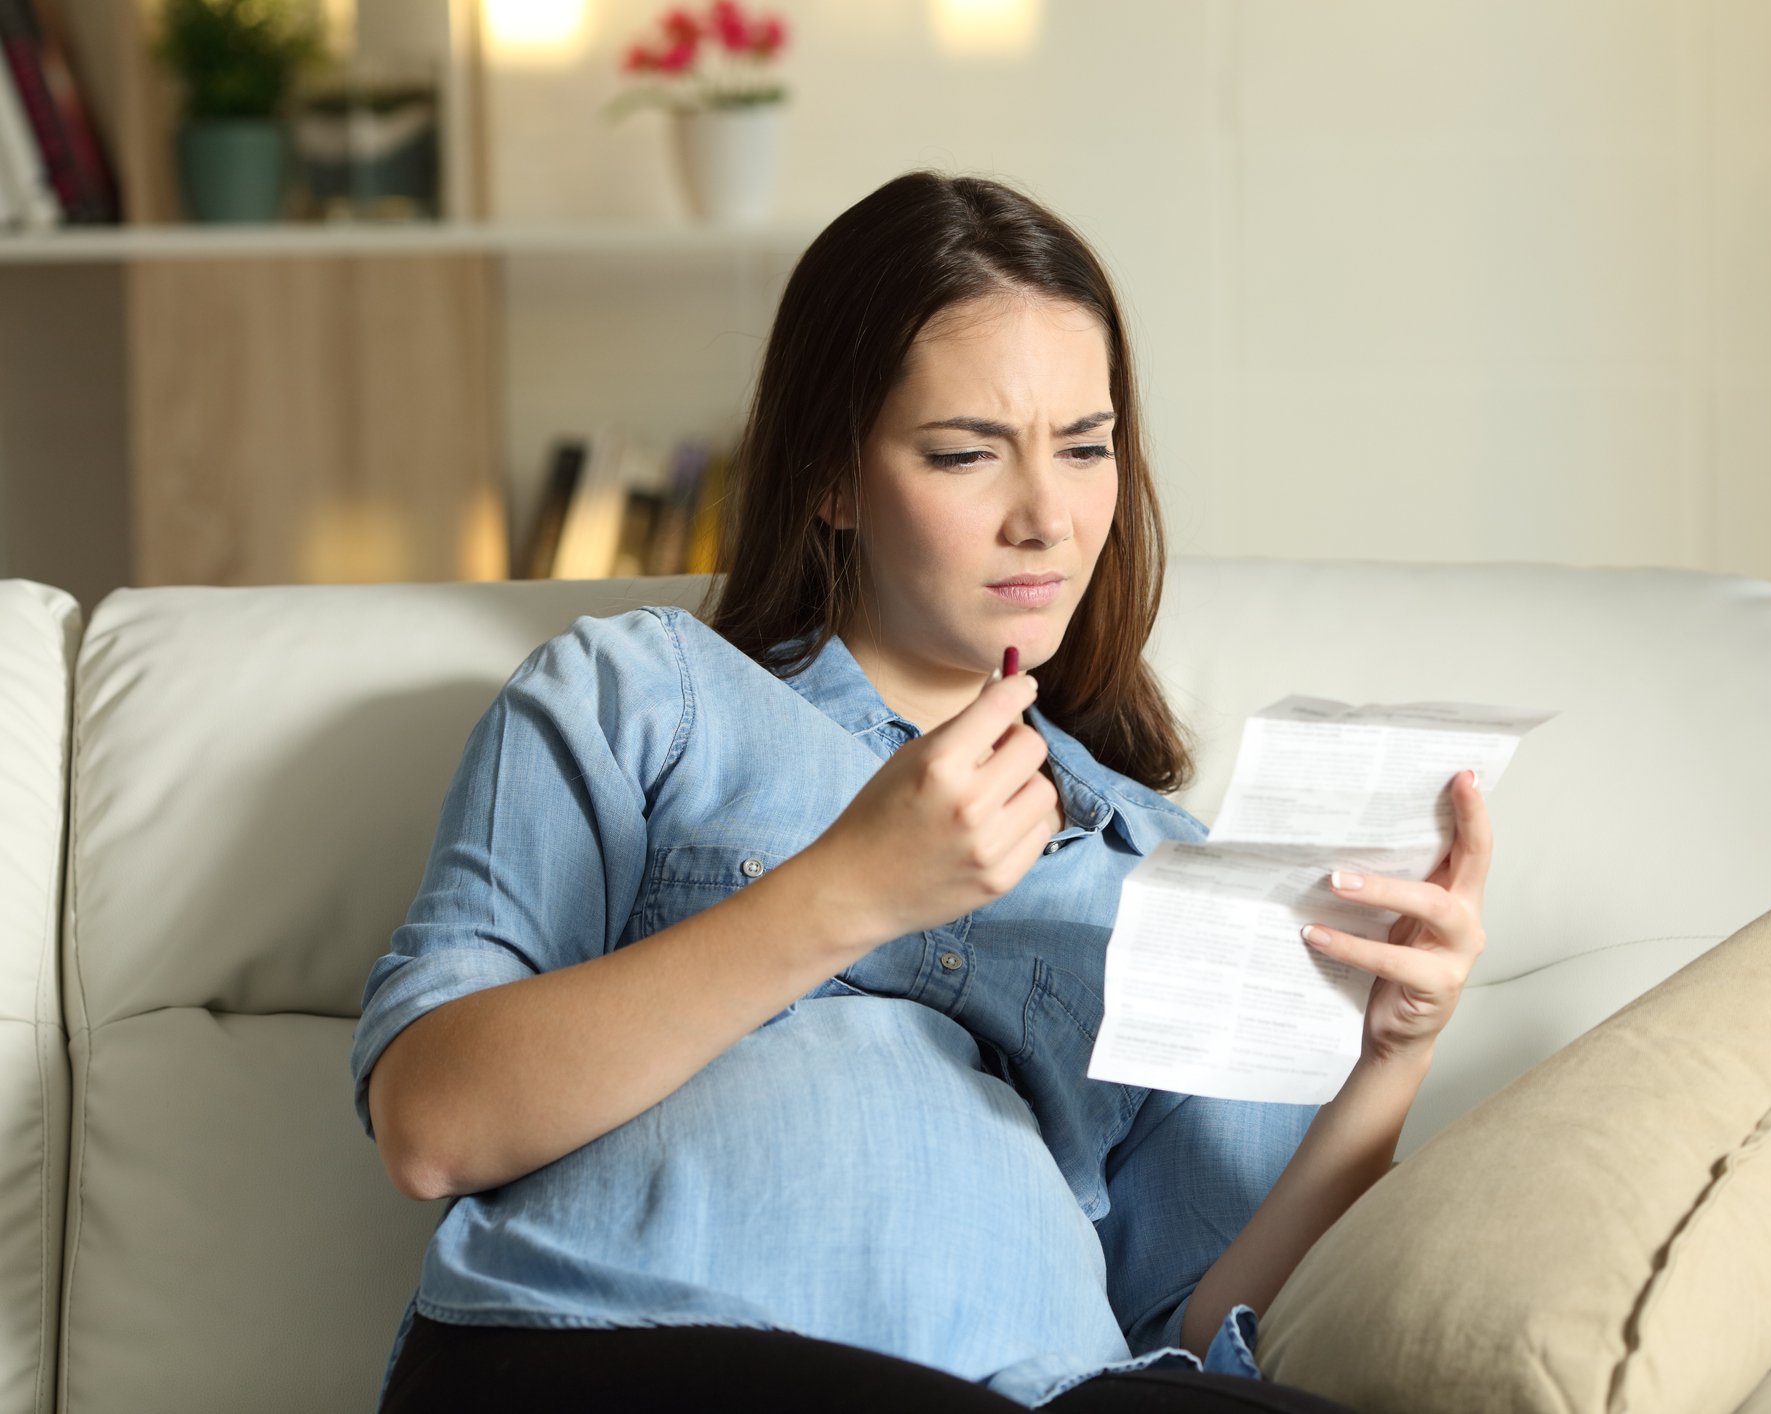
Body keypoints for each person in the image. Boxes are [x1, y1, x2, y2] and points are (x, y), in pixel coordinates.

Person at [349, 170, 1493, 1413]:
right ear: (833, 480)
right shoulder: (645, 694)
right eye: (964, 453)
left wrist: (1389, 1060)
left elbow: (1202, 1318)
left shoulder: (1161, 860)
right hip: (627, 1340)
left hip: (1041, 1386)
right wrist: (848, 890)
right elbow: (433, 1121)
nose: (1047, 517)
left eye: (1087, 448)